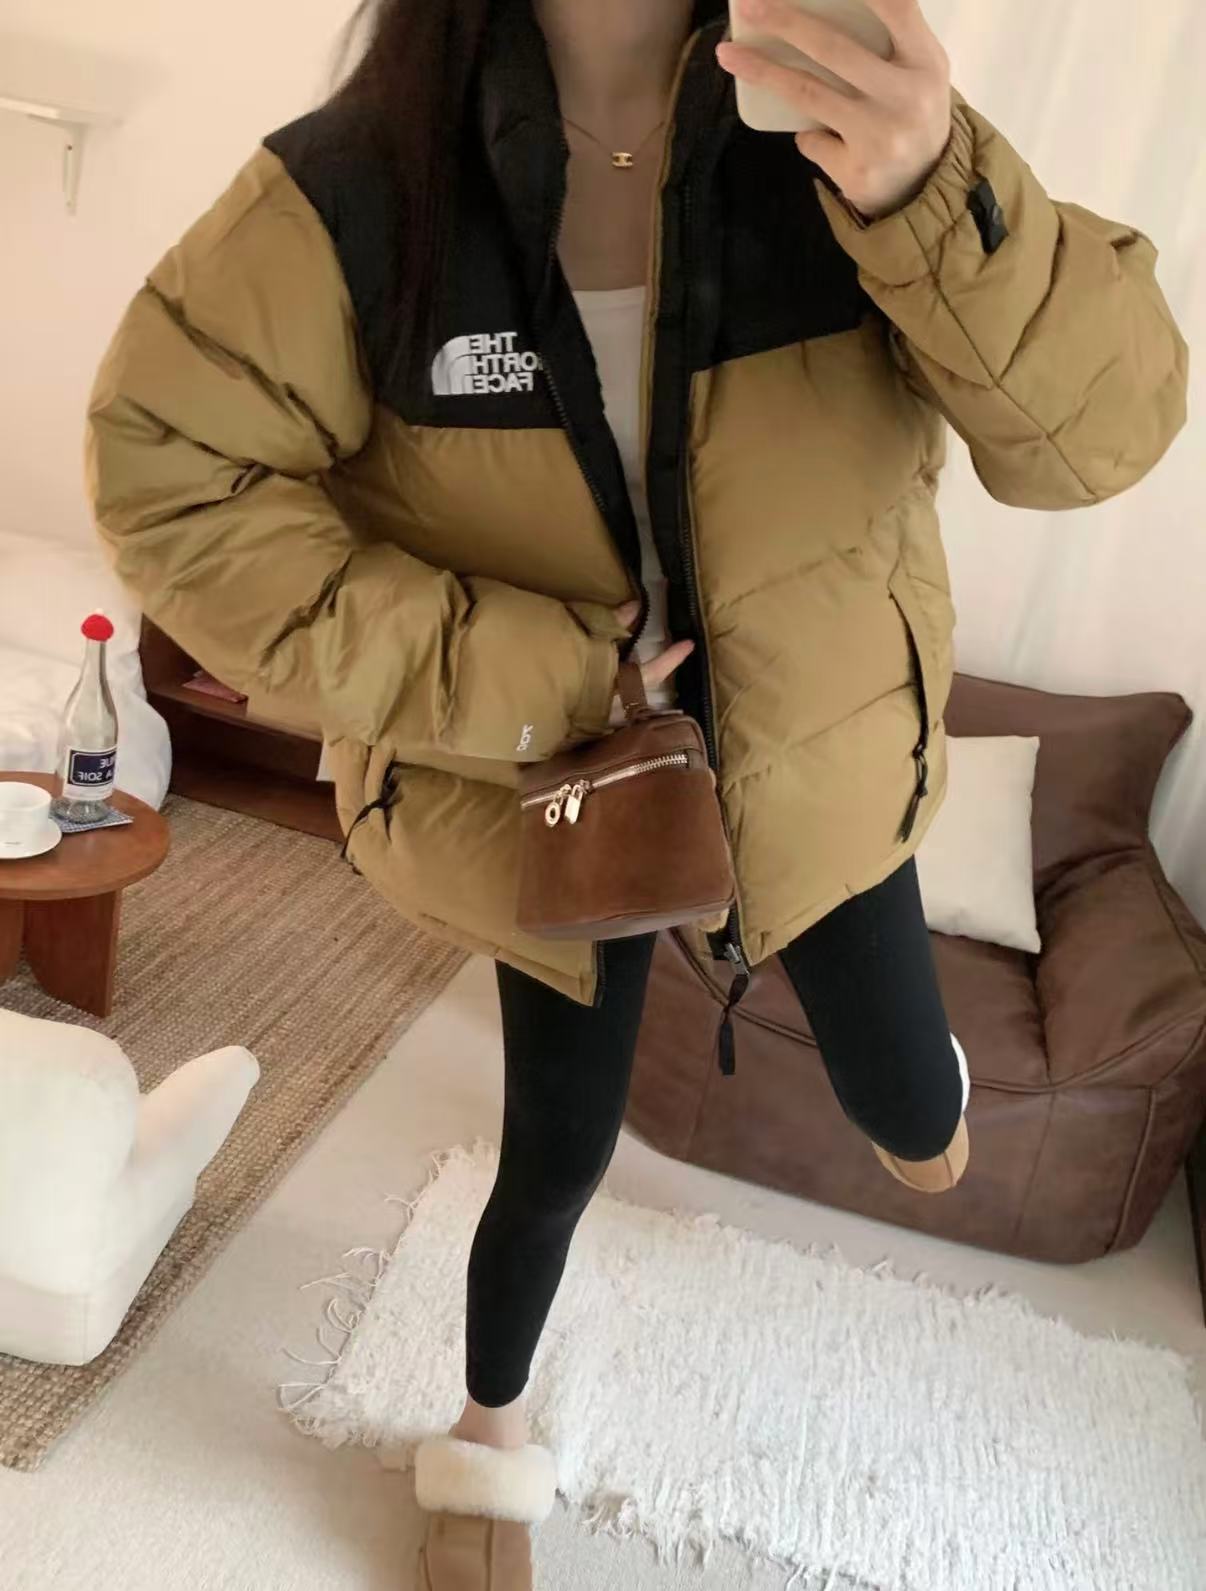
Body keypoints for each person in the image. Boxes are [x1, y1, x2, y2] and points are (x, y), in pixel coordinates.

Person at [87, 1, 1187, 1585]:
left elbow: (1094, 446)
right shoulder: (354, 192)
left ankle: (913, 1083)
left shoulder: (850, 130)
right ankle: (486, 1448)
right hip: (565, 785)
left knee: (908, 1106)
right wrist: (537, 677)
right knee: (553, 1154)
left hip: (823, 764)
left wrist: (935, 189)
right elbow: (172, 482)